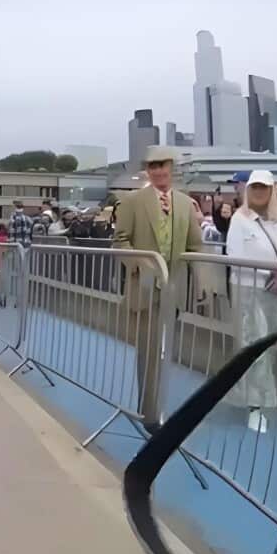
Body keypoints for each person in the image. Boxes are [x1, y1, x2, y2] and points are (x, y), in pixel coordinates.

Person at [113, 145, 204, 432]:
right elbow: (120, 241)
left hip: (174, 289)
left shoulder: (185, 203)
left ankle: (160, 407)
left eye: (163, 165)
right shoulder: (132, 202)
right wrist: (144, 265)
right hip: (144, 289)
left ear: (171, 168)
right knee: (149, 352)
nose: (159, 171)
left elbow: (196, 246)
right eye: (153, 167)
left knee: (167, 352)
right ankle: (149, 413)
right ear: (147, 171)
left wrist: (202, 284)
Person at [223, 170, 277, 433]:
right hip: (247, 290)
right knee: (251, 346)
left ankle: (260, 400)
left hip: (274, 292)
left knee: (269, 347)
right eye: (254, 187)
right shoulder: (240, 219)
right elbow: (235, 255)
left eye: (264, 188)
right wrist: (269, 272)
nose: (259, 192)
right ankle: (254, 405)